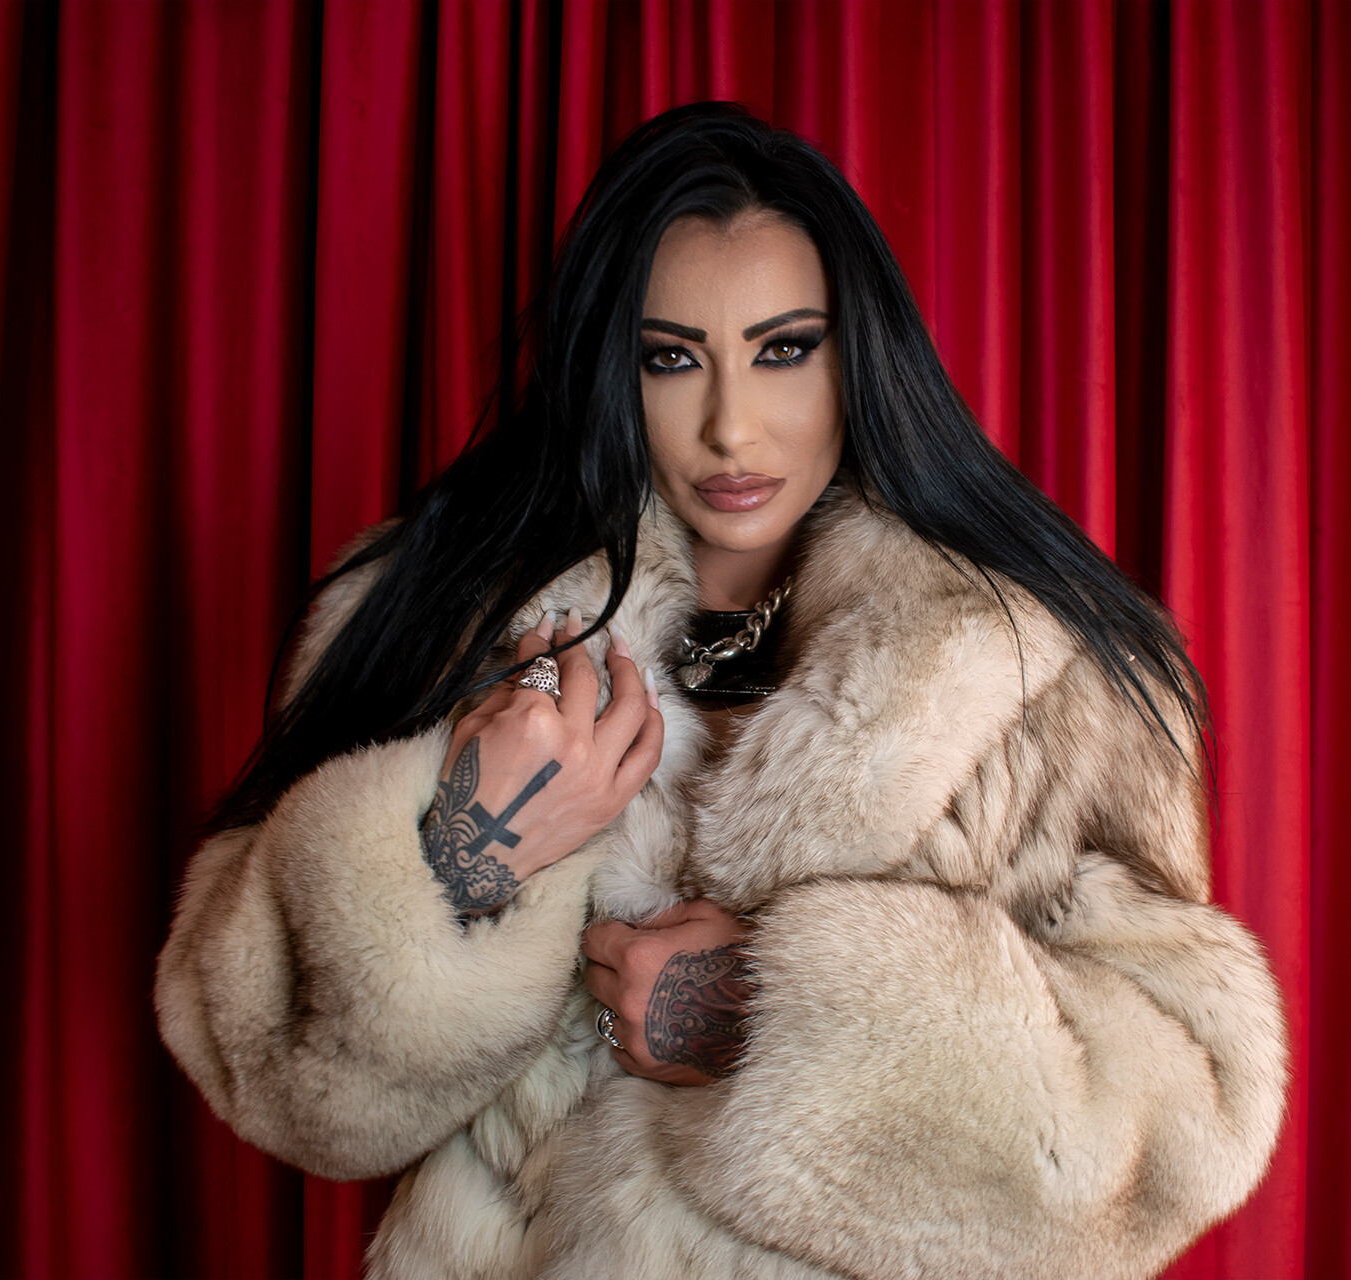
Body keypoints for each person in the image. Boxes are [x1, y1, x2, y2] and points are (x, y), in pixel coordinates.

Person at [155, 101, 1287, 1280]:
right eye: (671, 358)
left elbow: (1183, 1117)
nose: (730, 426)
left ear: (860, 356)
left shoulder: (1031, 666)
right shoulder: (444, 619)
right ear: (611, 369)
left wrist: (766, 1022)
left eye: (784, 349)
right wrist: (467, 844)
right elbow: (278, 1076)